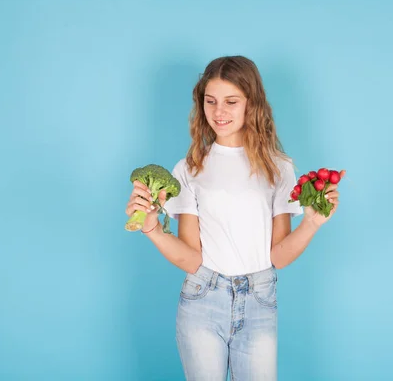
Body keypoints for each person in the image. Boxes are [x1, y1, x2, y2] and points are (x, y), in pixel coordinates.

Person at [125, 55, 345, 380]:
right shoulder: (189, 169)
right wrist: (153, 229)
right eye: (210, 101)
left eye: (231, 101)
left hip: (259, 298)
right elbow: (190, 259)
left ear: (250, 104)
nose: (219, 112)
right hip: (203, 298)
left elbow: (279, 256)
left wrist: (311, 223)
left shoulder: (278, 168)